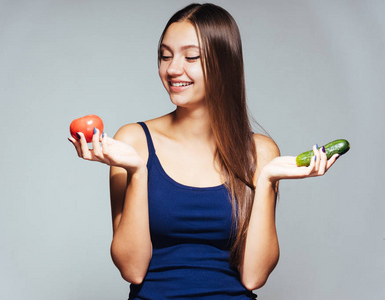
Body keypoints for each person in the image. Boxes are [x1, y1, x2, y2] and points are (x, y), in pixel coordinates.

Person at [68, 3, 339, 299]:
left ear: (224, 64)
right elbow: (132, 269)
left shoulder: (260, 152)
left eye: (191, 57)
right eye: (165, 56)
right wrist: (138, 172)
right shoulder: (133, 140)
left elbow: (254, 276)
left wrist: (268, 180)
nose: (172, 69)